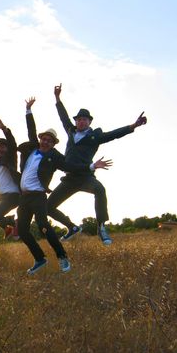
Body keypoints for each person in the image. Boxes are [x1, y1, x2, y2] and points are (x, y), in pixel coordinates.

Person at [16, 98, 111, 275]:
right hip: (24, 197)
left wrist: (90, 166)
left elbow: (71, 167)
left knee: (43, 226)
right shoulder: (32, 150)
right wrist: (28, 110)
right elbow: (31, 130)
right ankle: (39, 258)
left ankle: (62, 256)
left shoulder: (55, 157)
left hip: (38, 196)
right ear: (40, 139)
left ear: (53, 144)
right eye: (44, 139)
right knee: (22, 230)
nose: (45, 142)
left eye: (50, 141)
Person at [48, 84, 147, 245]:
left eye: (84, 119)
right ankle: (71, 227)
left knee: (100, 189)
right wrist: (57, 98)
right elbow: (63, 116)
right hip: (69, 178)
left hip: (86, 177)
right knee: (48, 206)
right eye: (79, 119)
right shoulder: (70, 131)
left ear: (89, 121)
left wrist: (132, 126)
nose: (81, 122)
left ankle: (101, 227)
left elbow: (114, 134)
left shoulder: (96, 136)